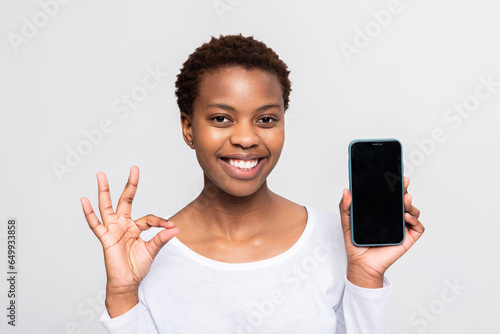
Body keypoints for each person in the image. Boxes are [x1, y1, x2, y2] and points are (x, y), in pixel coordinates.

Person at [80, 34, 424, 333]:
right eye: (221, 118)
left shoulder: (335, 241)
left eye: (266, 119)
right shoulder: (145, 257)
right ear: (188, 128)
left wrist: (365, 276)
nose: (246, 138)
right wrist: (123, 294)